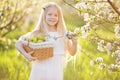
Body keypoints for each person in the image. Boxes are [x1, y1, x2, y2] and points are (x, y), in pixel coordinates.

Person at [15, 2, 78, 80]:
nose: (53, 17)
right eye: (50, 14)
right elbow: (18, 43)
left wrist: (74, 43)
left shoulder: (62, 33)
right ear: (44, 16)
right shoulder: (39, 32)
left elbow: (72, 52)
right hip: (40, 69)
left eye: (56, 15)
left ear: (59, 17)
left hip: (56, 71)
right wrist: (26, 55)